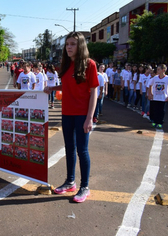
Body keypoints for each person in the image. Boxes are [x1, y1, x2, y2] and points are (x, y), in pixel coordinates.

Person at [44, 32, 98, 203]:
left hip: (82, 114)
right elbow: (68, 85)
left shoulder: (90, 65)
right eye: (67, 44)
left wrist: (90, 117)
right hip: (66, 113)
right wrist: (53, 88)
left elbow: (94, 91)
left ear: (80, 45)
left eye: (72, 44)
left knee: (82, 150)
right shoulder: (66, 64)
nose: (68, 47)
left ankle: (85, 187)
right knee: (69, 148)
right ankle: (70, 182)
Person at [147, 64, 168, 129]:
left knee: (161, 111)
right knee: (155, 110)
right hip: (155, 97)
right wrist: (150, 94)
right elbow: (150, 85)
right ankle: (154, 122)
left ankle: (160, 123)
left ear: (163, 70)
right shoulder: (155, 78)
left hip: (163, 98)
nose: (157, 70)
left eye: (159, 69)